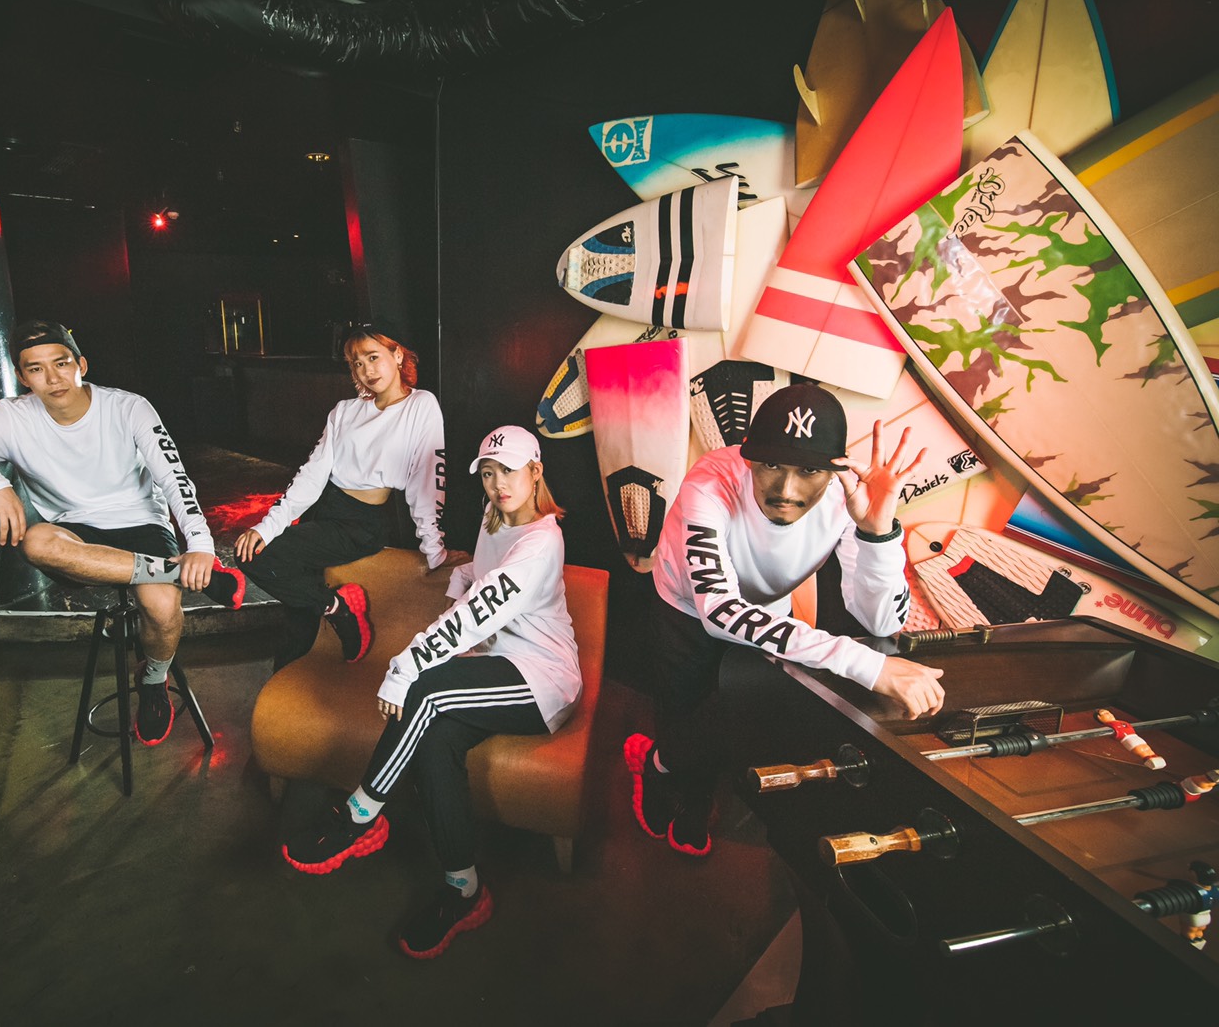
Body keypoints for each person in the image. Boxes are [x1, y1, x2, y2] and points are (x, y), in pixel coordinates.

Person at [280, 425, 578, 959]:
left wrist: (405, 667)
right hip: (499, 664)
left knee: (428, 689)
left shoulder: (541, 543)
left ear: (536, 472)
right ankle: (464, 890)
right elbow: (484, 578)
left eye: (509, 471)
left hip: (543, 680)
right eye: (488, 473)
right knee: (435, 744)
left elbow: (478, 614)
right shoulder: (495, 516)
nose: (498, 484)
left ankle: (361, 813)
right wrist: (463, 577)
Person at [625, 382, 946, 858]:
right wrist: (866, 665)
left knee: (735, 713)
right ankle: (664, 774)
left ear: (835, 469)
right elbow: (719, 610)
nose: (786, 490)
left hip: (768, 611)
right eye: (771, 464)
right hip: (686, 608)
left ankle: (684, 780)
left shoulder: (847, 498)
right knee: (681, 708)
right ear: (748, 455)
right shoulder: (709, 482)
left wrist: (877, 534)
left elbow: (881, 622)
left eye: (809, 470)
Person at [0, 320, 244, 747]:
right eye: (35, 369)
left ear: (81, 365)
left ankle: (153, 678)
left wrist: (199, 545)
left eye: (61, 363)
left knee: (162, 608)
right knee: (36, 542)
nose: (52, 378)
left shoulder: (129, 407)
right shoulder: (9, 417)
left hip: (141, 520)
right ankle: (175, 572)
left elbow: (174, 477)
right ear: (22, 376)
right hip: (74, 532)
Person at [235, 326, 463, 668]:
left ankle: (339, 610)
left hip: (360, 522)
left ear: (397, 355)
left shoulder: (420, 406)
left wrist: (434, 549)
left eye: (373, 357)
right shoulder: (344, 410)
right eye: (357, 363)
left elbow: (427, 481)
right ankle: (299, 658)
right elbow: (312, 474)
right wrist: (267, 526)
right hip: (322, 510)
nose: (367, 370)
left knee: (261, 560)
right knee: (292, 609)